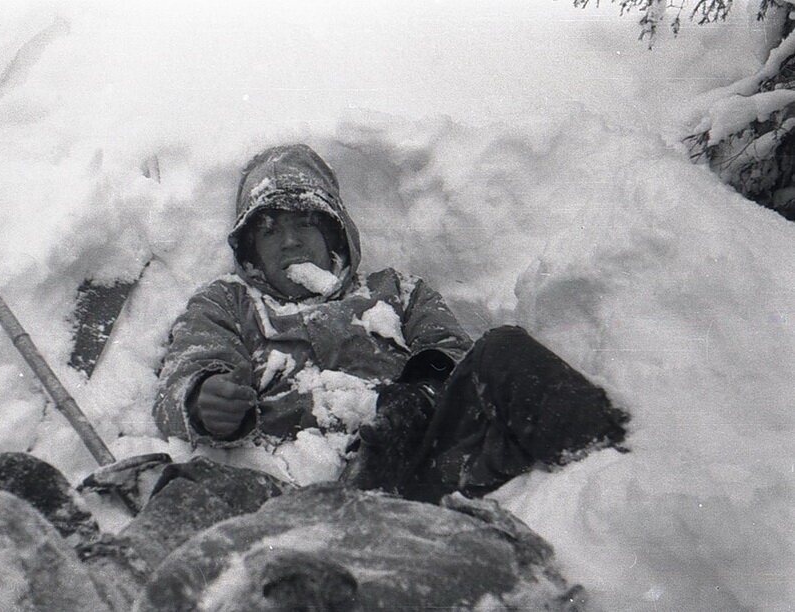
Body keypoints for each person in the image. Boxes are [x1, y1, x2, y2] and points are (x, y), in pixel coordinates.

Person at [152, 143, 627, 501]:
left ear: (334, 231)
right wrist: (202, 399)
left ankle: (613, 492)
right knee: (183, 495)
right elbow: (188, 367)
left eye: (304, 224)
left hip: (419, 461)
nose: (289, 241)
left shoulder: (396, 290)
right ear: (251, 251)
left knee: (506, 350)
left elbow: (454, 355)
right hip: (289, 487)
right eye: (269, 230)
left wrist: (416, 399)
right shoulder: (228, 300)